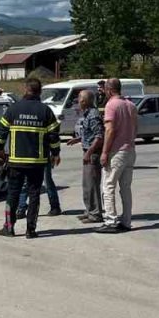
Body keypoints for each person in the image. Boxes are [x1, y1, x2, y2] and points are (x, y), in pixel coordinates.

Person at [0, 77, 61, 239]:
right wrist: (56, 153)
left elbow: (1, 133)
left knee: (13, 194)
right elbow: (54, 136)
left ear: (26, 90)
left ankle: (9, 228)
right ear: (39, 91)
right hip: (37, 163)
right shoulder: (45, 111)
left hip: (16, 162)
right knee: (34, 195)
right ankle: (31, 230)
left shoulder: (13, 109)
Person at [97, 78, 137, 233]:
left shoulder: (111, 105)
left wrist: (105, 152)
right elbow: (135, 127)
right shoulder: (131, 105)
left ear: (109, 90)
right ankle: (126, 221)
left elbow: (110, 130)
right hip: (130, 150)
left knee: (108, 186)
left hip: (117, 151)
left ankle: (111, 220)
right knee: (125, 188)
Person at [66, 89, 104, 223]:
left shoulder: (93, 115)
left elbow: (99, 137)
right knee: (87, 184)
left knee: (92, 184)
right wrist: (78, 139)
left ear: (84, 101)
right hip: (88, 151)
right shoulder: (88, 114)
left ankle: (95, 214)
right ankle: (89, 210)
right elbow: (89, 133)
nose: (78, 103)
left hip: (92, 154)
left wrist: (89, 152)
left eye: (79, 100)